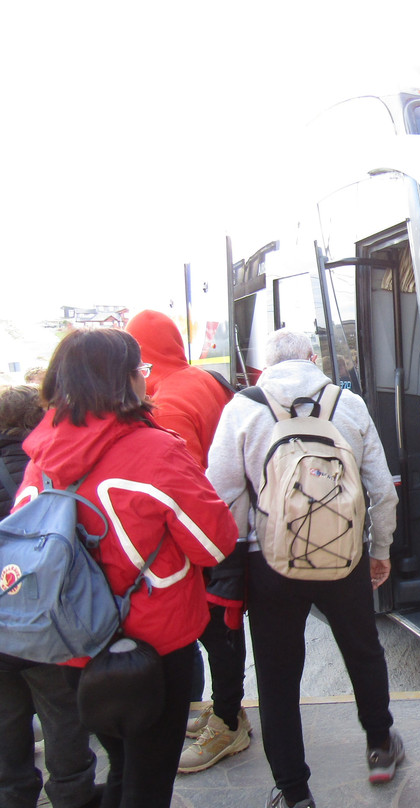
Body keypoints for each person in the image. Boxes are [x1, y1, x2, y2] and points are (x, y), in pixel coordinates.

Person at [16, 328, 238, 808]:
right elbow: (213, 543)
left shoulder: (40, 457)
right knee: (149, 780)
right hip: (155, 649)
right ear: (125, 380)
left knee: (121, 764)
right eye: (141, 371)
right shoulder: (156, 451)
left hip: (77, 648)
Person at [206, 329, 403, 808]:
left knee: (276, 674)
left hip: (270, 562)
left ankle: (294, 791)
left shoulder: (242, 408)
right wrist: (380, 550)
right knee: (363, 650)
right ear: (312, 358)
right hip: (345, 555)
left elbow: (221, 493)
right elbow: (381, 489)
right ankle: (380, 746)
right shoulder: (348, 404)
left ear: (263, 367)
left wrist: (237, 552)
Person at [126, 309, 250, 773]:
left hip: (207, 536)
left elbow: (179, 487)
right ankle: (228, 710)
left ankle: (226, 721)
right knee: (226, 623)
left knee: (215, 627)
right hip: (236, 524)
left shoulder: (168, 402)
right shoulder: (205, 380)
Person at [0, 385, 102, 808]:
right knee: (63, 717)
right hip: (44, 620)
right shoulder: (49, 468)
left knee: (6, 722)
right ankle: (73, 793)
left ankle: (12, 794)